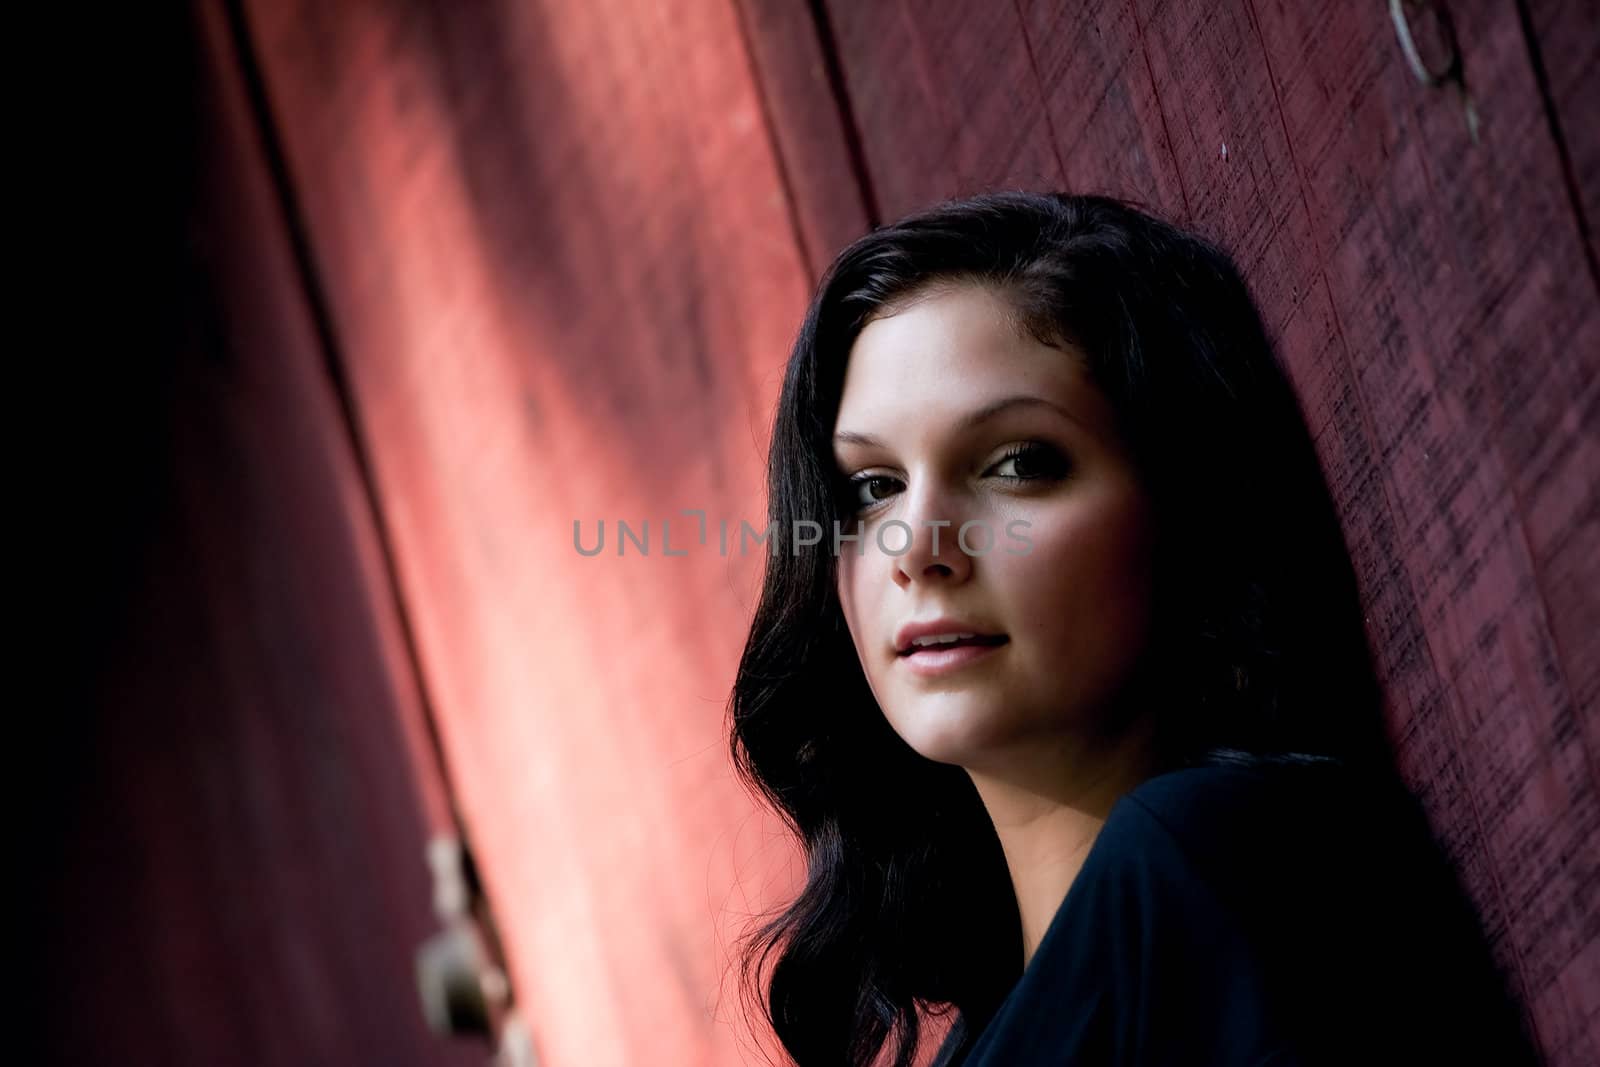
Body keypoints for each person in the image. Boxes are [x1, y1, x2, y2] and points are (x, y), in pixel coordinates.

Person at [726, 191, 1541, 1066]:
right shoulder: (978, 1037)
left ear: (1182, 507)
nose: (917, 548)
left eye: (1017, 464)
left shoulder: (1204, 861)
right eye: (873, 486)